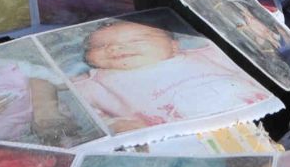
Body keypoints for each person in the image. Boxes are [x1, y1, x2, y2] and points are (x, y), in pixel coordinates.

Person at [66, 17, 264, 133]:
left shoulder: (204, 53)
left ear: (174, 46)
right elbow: (81, 112)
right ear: (88, 58)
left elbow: (249, 55)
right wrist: (118, 125)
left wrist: (253, 36)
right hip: (187, 133)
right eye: (100, 46)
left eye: (136, 40)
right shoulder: (95, 82)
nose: (116, 48)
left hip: (254, 111)